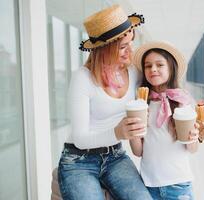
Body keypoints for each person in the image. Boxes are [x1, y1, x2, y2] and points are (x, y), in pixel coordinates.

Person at [57, 5, 152, 200]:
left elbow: (161, 85)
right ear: (105, 49)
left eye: (130, 43)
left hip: (115, 156)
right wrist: (118, 132)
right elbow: (81, 138)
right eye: (123, 47)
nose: (130, 52)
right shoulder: (83, 78)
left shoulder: (133, 72)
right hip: (78, 160)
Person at [130, 41, 204, 200]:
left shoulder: (182, 101)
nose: (153, 69)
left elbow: (192, 149)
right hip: (148, 184)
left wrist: (193, 136)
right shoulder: (142, 104)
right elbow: (138, 152)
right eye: (148, 66)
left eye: (159, 64)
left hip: (178, 184)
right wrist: (133, 131)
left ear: (171, 68)